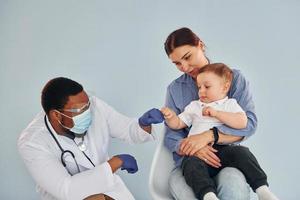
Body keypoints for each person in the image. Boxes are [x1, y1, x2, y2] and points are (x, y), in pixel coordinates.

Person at [18, 77, 164, 200]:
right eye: (79, 110)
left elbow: (128, 129)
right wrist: (115, 163)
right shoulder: (32, 142)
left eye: (87, 105)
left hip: (107, 189)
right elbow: (66, 190)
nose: (87, 112)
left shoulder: (95, 107)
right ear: (56, 115)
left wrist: (143, 124)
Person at [163, 27, 257, 200]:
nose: (184, 67)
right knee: (189, 193)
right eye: (177, 63)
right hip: (189, 163)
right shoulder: (174, 89)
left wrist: (210, 136)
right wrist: (192, 148)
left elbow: (248, 125)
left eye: (187, 57)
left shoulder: (233, 79)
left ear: (201, 45)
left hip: (226, 158)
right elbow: (171, 135)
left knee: (233, 185)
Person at [161, 63, 279, 200]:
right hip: (197, 154)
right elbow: (178, 124)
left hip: (224, 150)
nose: (201, 91)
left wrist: (217, 114)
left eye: (207, 87)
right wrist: (170, 117)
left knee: (242, 153)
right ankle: (208, 195)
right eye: (199, 87)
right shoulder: (195, 106)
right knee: (191, 167)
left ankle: (262, 189)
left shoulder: (229, 104)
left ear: (225, 87)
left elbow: (243, 122)